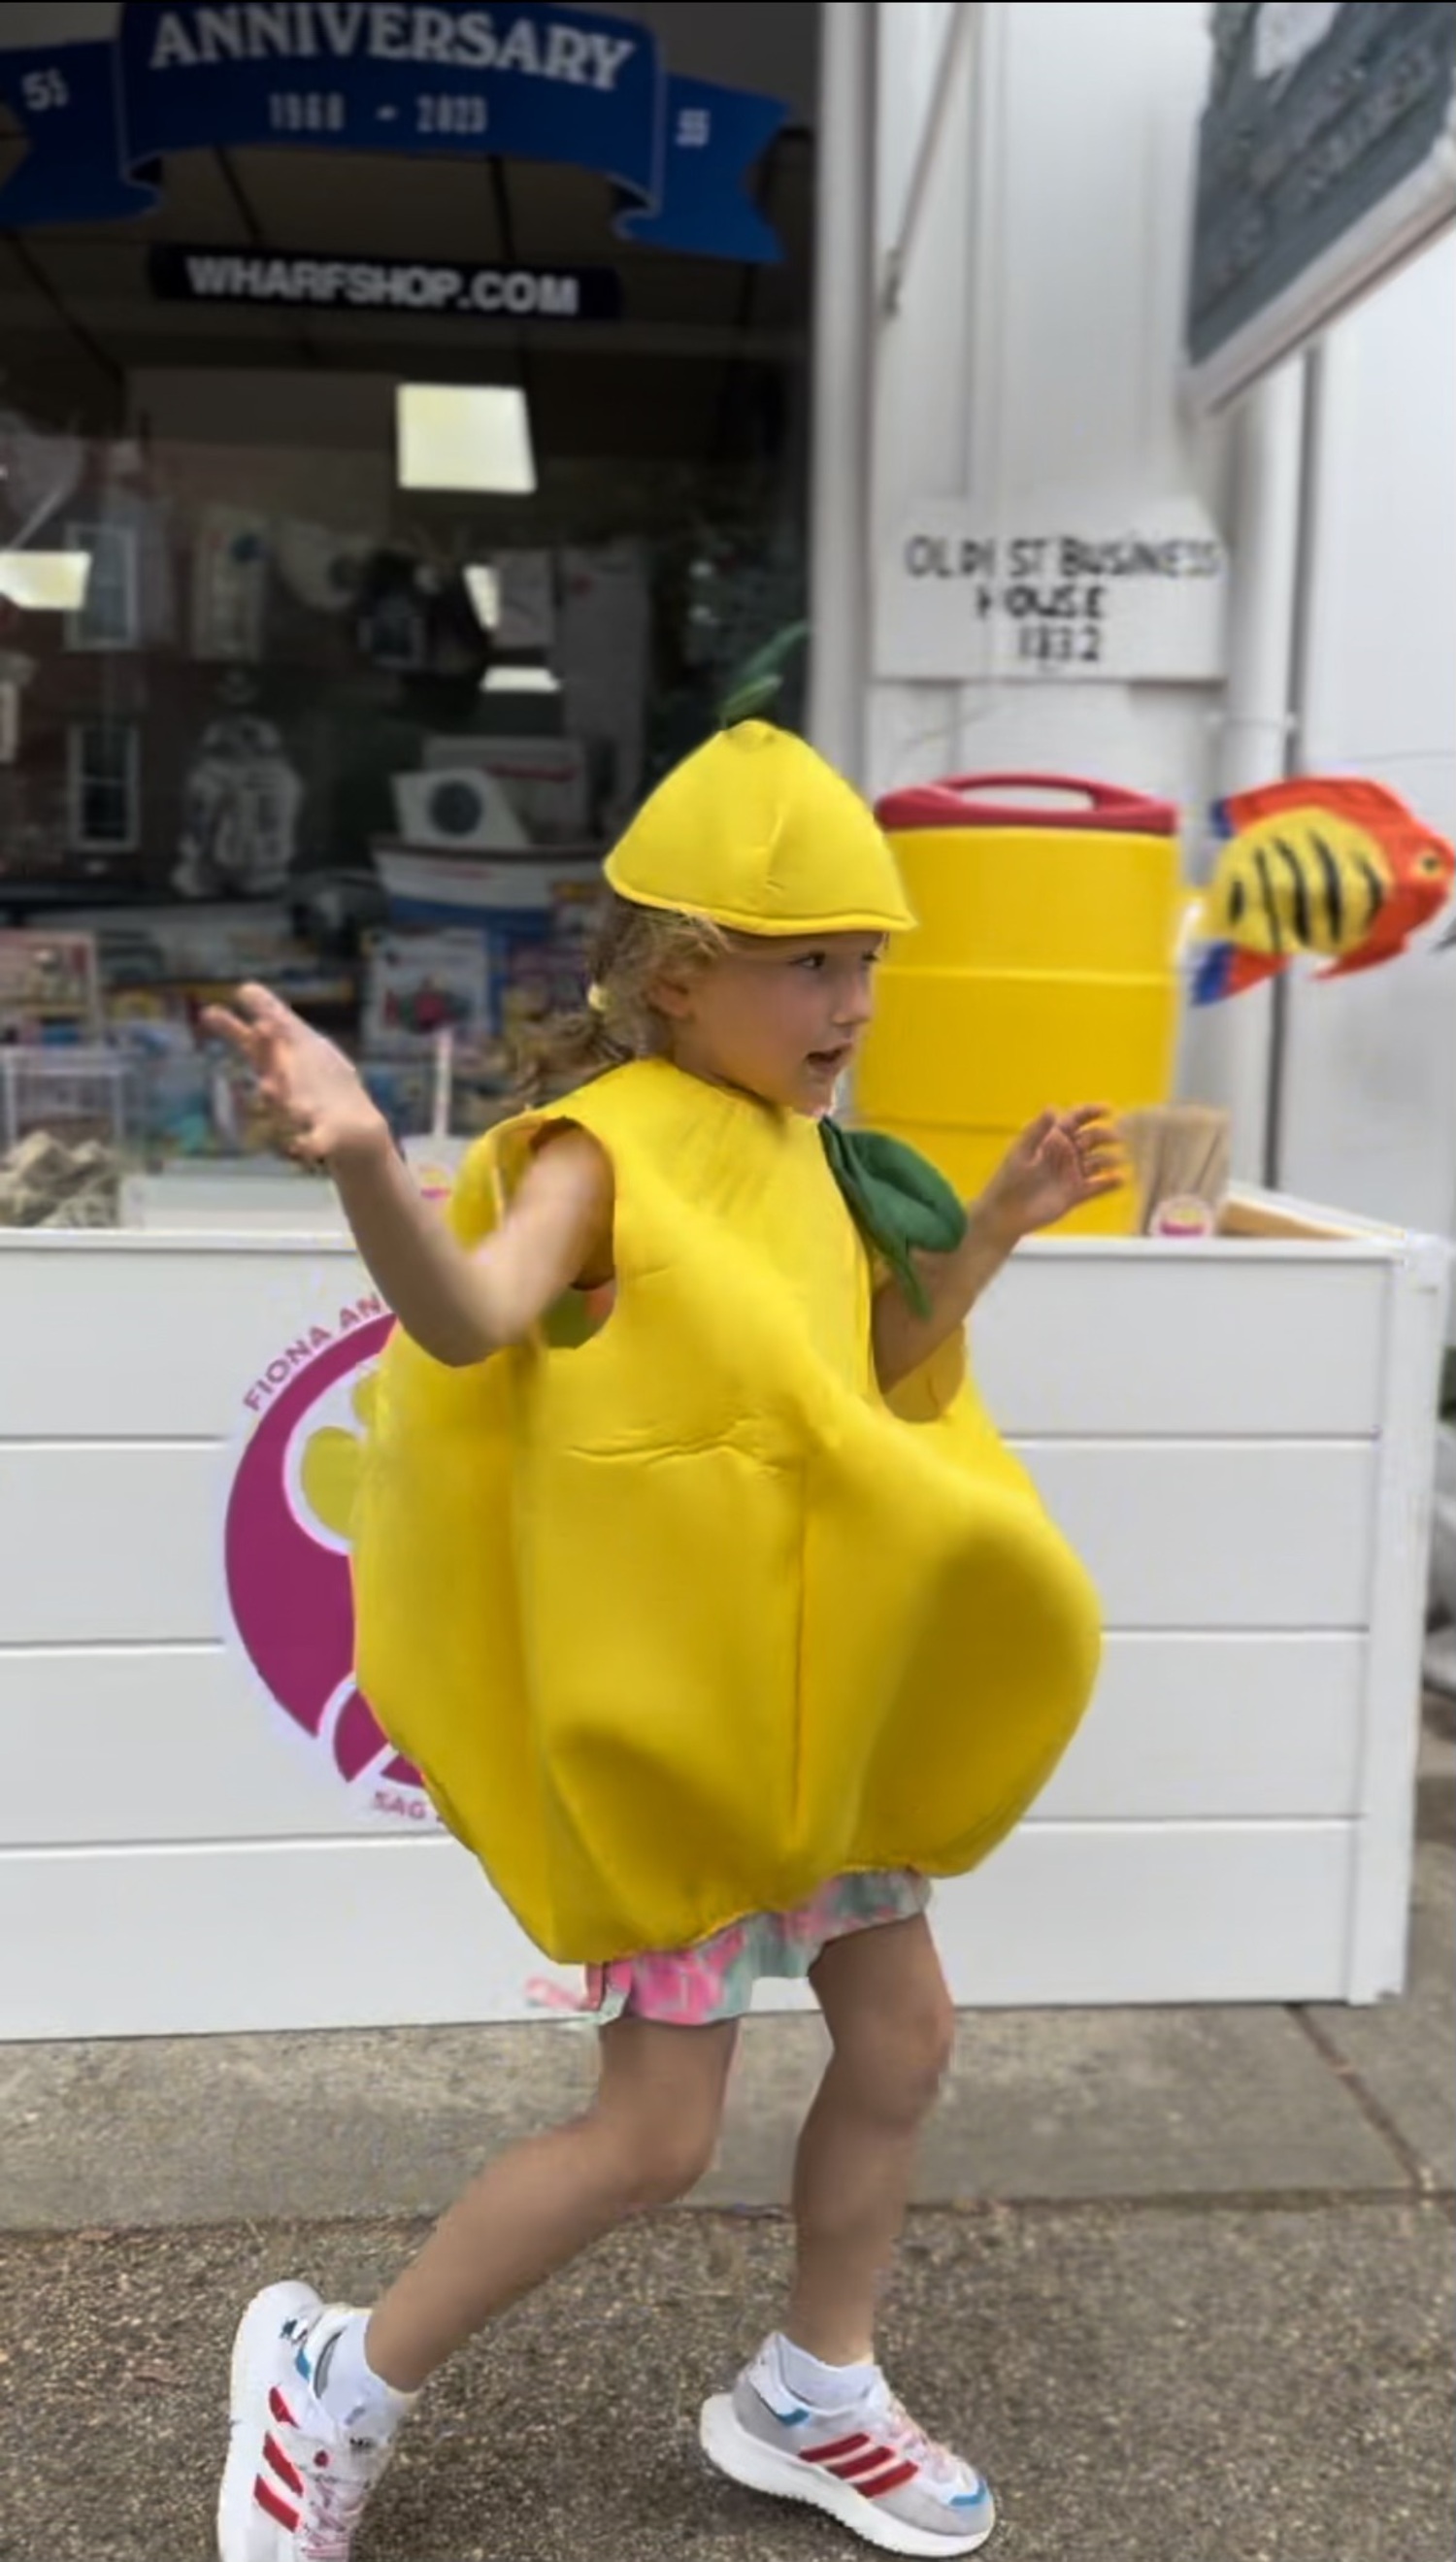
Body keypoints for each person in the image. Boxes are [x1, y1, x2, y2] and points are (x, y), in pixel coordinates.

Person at [206, 722, 1118, 2562]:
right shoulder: (599, 1152)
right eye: (814, 960)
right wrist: (373, 1155)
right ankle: (335, 2375)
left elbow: (860, 1381)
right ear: (682, 974)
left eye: (869, 958)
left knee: (906, 2041)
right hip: (690, 1736)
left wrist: (999, 1223)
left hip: (821, 1712)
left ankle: (814, 2388)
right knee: (651, 2141)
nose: (855, 997)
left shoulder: (812, 1150)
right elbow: (466, 1321)